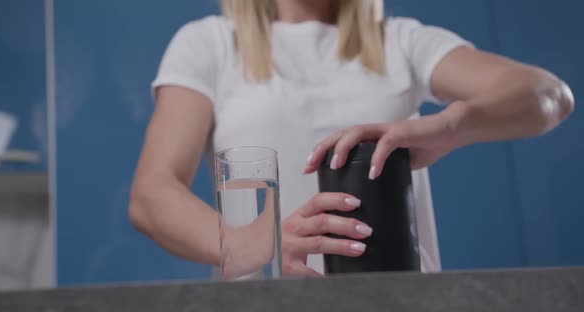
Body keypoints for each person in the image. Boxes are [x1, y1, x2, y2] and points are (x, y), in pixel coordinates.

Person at [129, 0, 574, 277]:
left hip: (399, 300)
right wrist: (263, 242)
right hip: (267, 300)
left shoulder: (401, 42)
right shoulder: (208, 45)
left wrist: (448, 126)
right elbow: (152, 195)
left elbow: (549, 96)